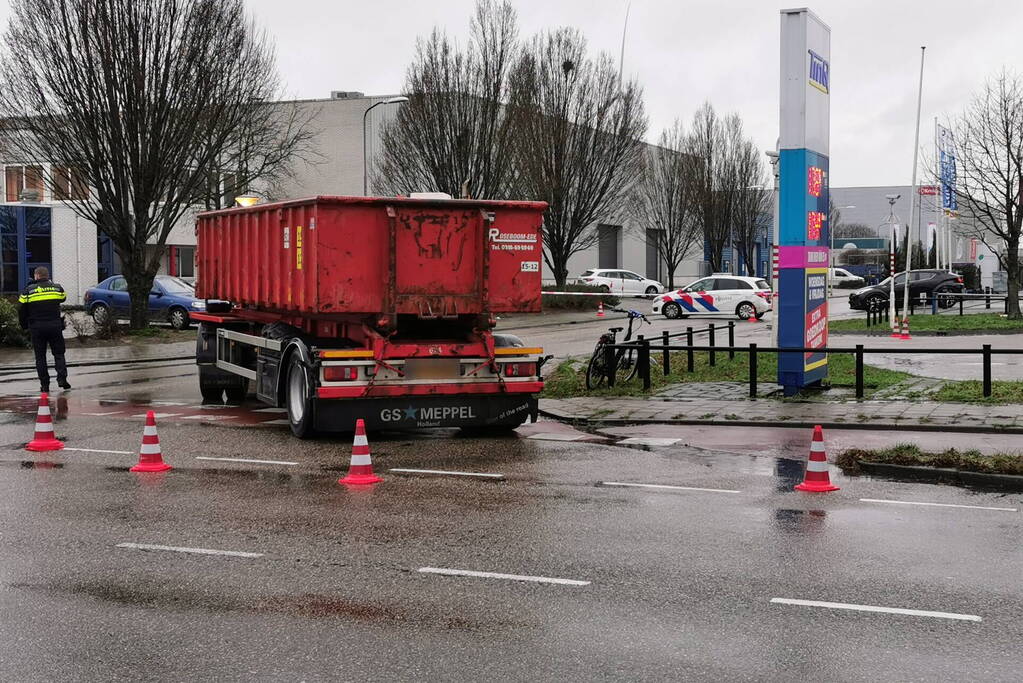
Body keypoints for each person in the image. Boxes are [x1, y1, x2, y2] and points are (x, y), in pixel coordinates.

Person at [18, 266, 71, 393]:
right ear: (47, 276)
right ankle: (62, 379)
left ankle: (45, 384)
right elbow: (63, 297)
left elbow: (21, 309)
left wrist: (24, 325)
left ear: (36, 276)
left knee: (40, 357)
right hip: (54, 326)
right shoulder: (57, 288)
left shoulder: (27, 291)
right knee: (59, 354)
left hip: (37, 328)